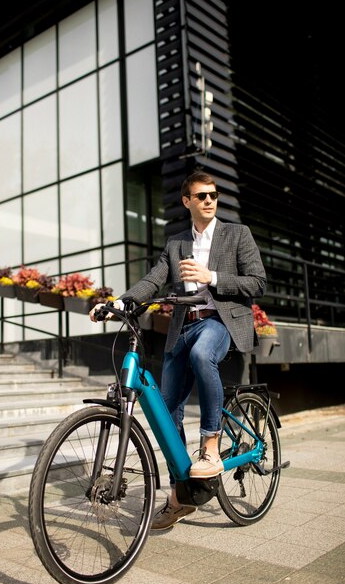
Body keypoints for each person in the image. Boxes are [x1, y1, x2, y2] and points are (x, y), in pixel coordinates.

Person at [90, 170, 266, 530]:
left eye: (213, 195)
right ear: (187, 201)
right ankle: (179, 497)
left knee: (204, 355)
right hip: (183, 327)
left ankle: (211, 446)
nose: (209, 201)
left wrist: (211, 276)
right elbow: (154, 279)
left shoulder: (237, 234)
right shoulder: (176, 244)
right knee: (165, 411)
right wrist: (119, 303)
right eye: (201, 196)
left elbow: (257, 282)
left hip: (220, 322)